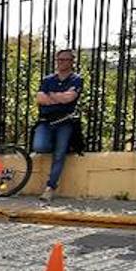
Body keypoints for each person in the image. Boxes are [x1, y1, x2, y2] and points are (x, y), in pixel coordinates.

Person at [33, 49, 85, 202]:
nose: (61, 62)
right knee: (39, 146)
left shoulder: (76, 79)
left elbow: (70, 98)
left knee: (59, 156)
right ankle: (60, 146)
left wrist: (51, 95)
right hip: (46, 120)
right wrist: (59, 97)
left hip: (65, 121)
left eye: (65, 60)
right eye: (59, 59)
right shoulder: (48, 79)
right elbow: (40, 99)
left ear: (72, 62)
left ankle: (50, 187)